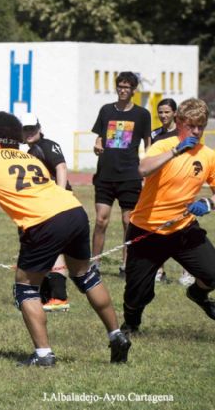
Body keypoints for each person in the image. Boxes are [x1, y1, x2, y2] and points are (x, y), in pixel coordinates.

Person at [0, 112, 131, 366]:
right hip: (74, 211)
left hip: (43, 222)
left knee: (26, 288)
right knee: (85, 275)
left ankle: (43, 355)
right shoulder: (30, 157)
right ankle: (116, 335)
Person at [121, 98, 215, 336]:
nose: (196, 131)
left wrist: (209, 202)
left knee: (212, 273)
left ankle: (197, 293)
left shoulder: (208, 155)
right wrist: (175, 151)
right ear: (179, 122)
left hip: (183, 229)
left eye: (200, 126)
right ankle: (131, 323)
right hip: (147, 230)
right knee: (137, 293)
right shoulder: (164, 145)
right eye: (191, 125)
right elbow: (143, 169)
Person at [91, 71, 151, 277]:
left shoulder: (142, 114)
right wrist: (97, 145)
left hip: (130, 175)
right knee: (101, 220)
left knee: (128, 222)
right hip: (105, 175)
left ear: (133, 90)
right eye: (120, 86)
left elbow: (148, 143)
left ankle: (126, 265)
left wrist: (149, 167)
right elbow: (99, 137)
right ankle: (94, 264)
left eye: (127, 87)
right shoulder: (106, 110)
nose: (123, 90)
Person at [20, 113, 71, 312]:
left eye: (32, 128)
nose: (29, 132)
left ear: (39, 127)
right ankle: (46, 294)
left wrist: (59, 195)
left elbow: (61, 167)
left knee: (54, 248)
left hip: (55, 204)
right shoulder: (30, 151)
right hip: (40, 205)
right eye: (25, 129)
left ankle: (59, 297)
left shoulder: (48, 145)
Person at [150, 98, 195, 287]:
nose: (163, 116)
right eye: (160, 112)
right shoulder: (155, 134)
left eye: (167, 112)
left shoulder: (181, 134)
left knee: (182, 229)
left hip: (180, 186)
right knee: (158, 229)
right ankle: (158, 271)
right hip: (159, 187)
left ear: (175, 114)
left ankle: (188, 272)